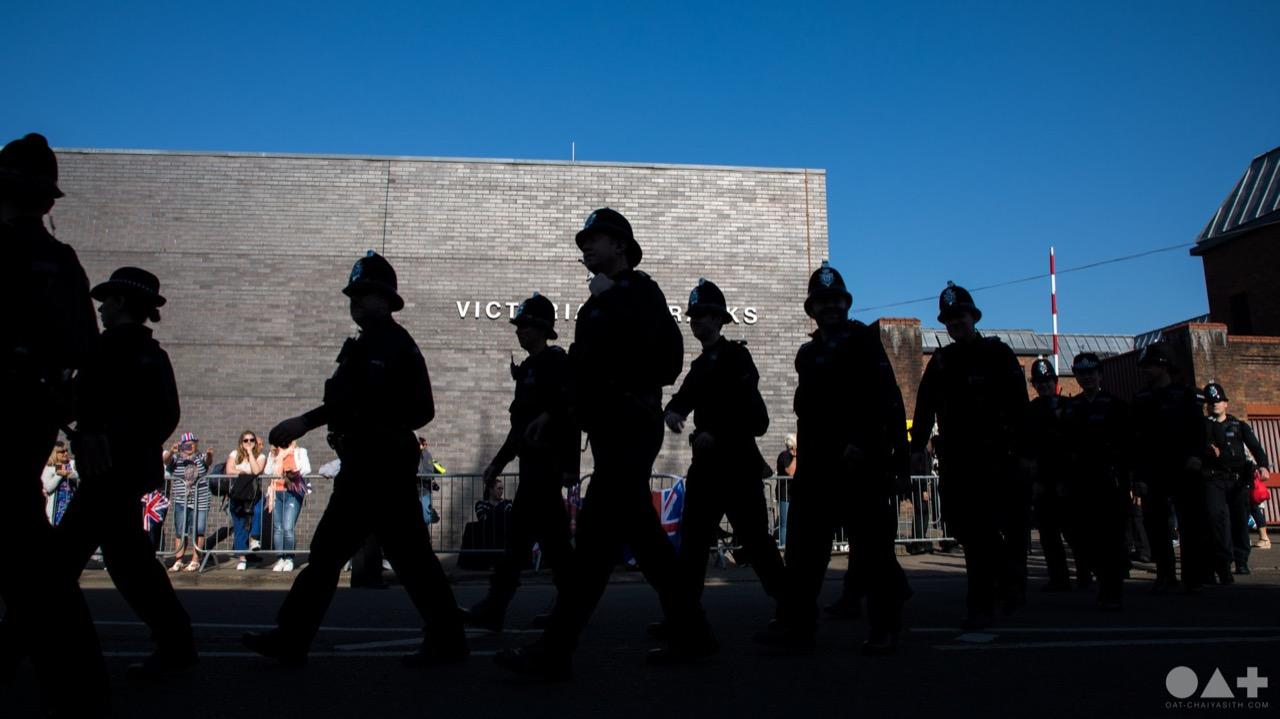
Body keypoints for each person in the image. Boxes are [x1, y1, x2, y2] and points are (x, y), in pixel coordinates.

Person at [496, 208, 697, 680]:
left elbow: (668, 359)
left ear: (620, 246)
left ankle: (555, 650)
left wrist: (615, 300)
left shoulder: (640, 291)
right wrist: (554, 412)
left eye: (596, 238)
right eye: (583, 241)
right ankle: (694, 631)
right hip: (607, 429)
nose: (586, 247)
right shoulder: (592, 307)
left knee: (593, 541)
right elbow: (583, 372)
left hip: (632, 423)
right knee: (644, 540)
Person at [243, 251, 466, 667]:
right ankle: (293, 637)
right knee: (341, 555)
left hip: (381, 466)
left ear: (387, 300)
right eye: (354, 295)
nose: (357, 302)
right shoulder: (363, 345)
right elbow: (347, 400)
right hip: (363, 464)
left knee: (394, 557)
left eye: (367, 294)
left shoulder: (395, 345)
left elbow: (419, 408)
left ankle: (447, 638)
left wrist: (311, 421)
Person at [0, 132, 106, 714]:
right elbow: (84, 349)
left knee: (29, 556)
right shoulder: (61, 262)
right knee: (29, 548)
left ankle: (73, 683)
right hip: (34, 410)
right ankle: (76, 681)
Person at [756, 261, 910, 654]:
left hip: (859, 463)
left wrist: (878, 449)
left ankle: (885, 627)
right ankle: (797, 625)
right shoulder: (808, 354)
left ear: (846, 304)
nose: (830, 307)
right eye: (822, 302)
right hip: (817, 467)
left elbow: (885, 398)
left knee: (873, 551)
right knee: (803, 552)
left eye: (836, 301)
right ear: (812, 309)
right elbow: (807, 413)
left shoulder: (863, 341)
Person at [57, 266, 197, 678]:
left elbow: (76, 404)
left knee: (61, 562)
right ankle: (177, 642)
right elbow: (167, 416)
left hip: (105, 472)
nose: (101, 309)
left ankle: (23, 648)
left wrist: (99, 437)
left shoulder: (101, 352)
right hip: (130, 471)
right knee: (128, 561)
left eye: (107, 302)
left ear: (119, 302)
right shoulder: (154, 356)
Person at [651, 279, 783, 661]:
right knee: (692, 548)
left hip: (737, 467)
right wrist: (672, 412)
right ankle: (683, 617)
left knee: (756, 544)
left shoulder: (737, 358)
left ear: (721, 319)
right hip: (706, 470)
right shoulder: (699, 366)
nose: (698, 321)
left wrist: (717, 433)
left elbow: (757, 419)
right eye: (694, 316)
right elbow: (681, 399)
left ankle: (793, 612)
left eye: (706, 315)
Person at [911, 282, 1029, 630]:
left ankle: (984, 601)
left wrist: (1025, 453)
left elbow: (1020, 407)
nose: (955, 323)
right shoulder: (942, 362)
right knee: (968, 531)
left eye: (960, 317)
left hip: (996, 459)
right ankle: (1002, 583)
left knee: (990, 532)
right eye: (949, 319)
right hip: (958, 462)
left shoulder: (997, 354)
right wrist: (916, 448)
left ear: (973, 318)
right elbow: (924, 407)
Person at [463, 292, 577, 632]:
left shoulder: (557, 363)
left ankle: (498, 606)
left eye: (525, 326)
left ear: (541, 329)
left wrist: (570, 467)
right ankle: (569, 605)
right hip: (530, 464)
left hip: (547, 465)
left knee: (524, 541)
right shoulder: (527, 368)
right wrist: (498, 463)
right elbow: (518, 426)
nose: (519, 331)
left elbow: (570, 415)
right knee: (550, 543)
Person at [1131, 342, 1210, 594]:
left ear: (1164, 367)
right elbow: (1136, 439)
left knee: (1189, 523)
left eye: (1151, 365)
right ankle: (1165, 574)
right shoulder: (1141, 398)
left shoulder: (1184, 395)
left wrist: (1196, 456)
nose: (1146, 370)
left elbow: (1199, 430)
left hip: (1183, 466)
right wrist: (1138, 475)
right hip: (1154, 469)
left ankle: (1192, 576)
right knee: (1156, 524)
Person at [1060, 352, 1132, 610]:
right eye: (1081, 373)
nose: (1087, 378)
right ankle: (1102, 578)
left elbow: (1128, 445)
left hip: (1109, 480)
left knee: (1110, 538)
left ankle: (1111, 590)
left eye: (1091, 373)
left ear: (1100, 375)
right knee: (1080, 535)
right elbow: (1062, 446)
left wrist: (1129, 480)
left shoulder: (1115, 406)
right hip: (1080, 480)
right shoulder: (1071, 408)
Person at [1019, 358, 1082, 591]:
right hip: (1042, 478)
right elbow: (1027, 446)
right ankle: (1058, 577)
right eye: (1039, 382)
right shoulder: (1031, 410)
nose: (1044, 386)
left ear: (1055, 381)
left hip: (1066, 476)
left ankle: (1084, 573)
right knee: (1048, 533)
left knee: (1073, 531)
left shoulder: (1069, 406)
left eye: (1047, 381)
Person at [1202, 382, 1271, 577]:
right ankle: (1223, 561)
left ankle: (1241, 561)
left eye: (1218, 401)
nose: (1215, 404)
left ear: (1226, 404)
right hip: (1214, 480)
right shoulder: (1203, 427)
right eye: (1211, 402)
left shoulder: (1238, 426)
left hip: (1237, 480)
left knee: (1239, 520)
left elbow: (1255, 446)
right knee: (1217, 519)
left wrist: (1263, 465)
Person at [164, 433, 212, 572]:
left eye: (193, 443)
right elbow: (166, 460)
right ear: (181, 445)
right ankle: (179, 560)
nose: (190, 446)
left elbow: (208, 462)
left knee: (199, 530)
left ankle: (195, 560)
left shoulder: (200, 457)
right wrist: (171, 451)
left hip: (201, 499)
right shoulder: (176, 458)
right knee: (180, 531)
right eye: (187, 444)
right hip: (181, 499)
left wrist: (209, 455)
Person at [265, 441, 311, 572]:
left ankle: (289, 558)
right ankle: (280, 558)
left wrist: (291, 470)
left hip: (293, 492)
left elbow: (307, 469)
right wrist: (272, 456)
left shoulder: (299, 451)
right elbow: (267, 471)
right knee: (278, 527)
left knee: (288, 527)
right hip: (276, 492)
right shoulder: (274, 453)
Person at [226, 431, 267, 571]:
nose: (249, 442)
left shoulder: (260, 456)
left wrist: (250, 454)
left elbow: (256, 471)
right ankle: (242, 558)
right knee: (240, 526)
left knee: (258, 512)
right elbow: (229, 470)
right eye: (245, 440)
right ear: (241, 442)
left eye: (251, 440)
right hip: (238, 495)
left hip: (253, 495)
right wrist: (242, 473)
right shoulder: (234, 454)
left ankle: (254, 539)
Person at [42, 441, 78, 525]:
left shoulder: (71, 463)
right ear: (55, 453)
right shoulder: (49, 467)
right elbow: (48, 488)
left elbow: (78, 475)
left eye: (66, 451)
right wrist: (59, 476)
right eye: (62, 451)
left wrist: (69, 474)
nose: (66, 453)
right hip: (56, 508)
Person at [776, 435, 796, 547]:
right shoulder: (784, 456)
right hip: (785, 495)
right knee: (785, 524)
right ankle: (784, 546)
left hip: (793, 494)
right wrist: (795, 457)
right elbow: (791, 472)